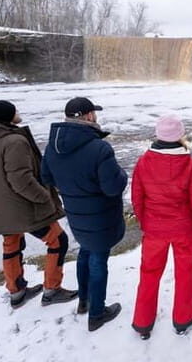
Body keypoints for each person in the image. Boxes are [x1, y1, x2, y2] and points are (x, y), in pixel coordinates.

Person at [0, 100, 78, 310]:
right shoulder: (14, 141)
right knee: (58, 241)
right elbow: (20, 179)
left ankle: (16, 291)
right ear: (8, 116)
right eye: (15, 110)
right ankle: (52, 289)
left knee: (12, 245)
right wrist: (44, 196)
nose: (18, 113)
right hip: (22, 206)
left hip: (1, 206)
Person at [41, 97, 128, 332]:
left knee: (84, 252)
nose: (96, 117)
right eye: (94, 113)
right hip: (101, 216)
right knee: (98, 259)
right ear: (88, 116)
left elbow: (46, 177)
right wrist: (122, 173)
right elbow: (114, 186)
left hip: (75, 213)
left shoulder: (52, 146)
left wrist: (70, 187)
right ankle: (97, 314)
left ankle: (84, 302)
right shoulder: (99, 148)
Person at [130, 115, 192, 339]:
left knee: (149, 275)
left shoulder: (144, 161)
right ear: (179, 136)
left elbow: (137, 197)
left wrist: (146, 222)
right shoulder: (188, 164)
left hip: (155, 230)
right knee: (185, 274)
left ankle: (143, 323)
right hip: (183, 229)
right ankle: (182, 320)